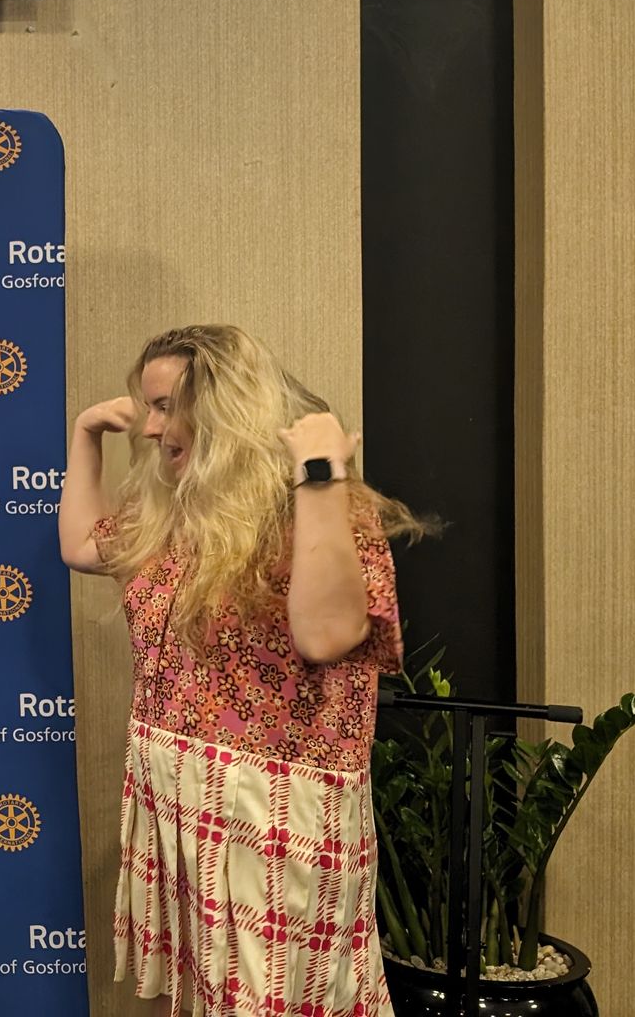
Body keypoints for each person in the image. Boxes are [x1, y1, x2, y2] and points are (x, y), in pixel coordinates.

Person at [58, 325, 429, 1017]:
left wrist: (319, 476)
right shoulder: (182, 510)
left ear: (226, 407)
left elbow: (326, 635)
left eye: (166, 406)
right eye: (149, 406)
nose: (151, 426)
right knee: (221, 995)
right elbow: (82, 544)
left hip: (273, 805)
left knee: (280, 1000)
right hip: (186, 784)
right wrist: (85, 434)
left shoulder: (314, 508)